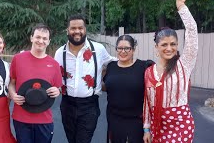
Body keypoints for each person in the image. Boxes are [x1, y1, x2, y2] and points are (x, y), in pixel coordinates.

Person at [143, 0, 198, 143]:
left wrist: (181, 7)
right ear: (156, 47)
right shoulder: (149, 72)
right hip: (157, 125)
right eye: (164, 45)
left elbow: (192, 31)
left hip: (181, 127)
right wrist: (146, 128)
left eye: (173, 44)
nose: (169, 48)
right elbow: (147, 102)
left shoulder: (184, 64)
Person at [54, 14, 117, 143]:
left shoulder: (98, 49)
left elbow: (114, 63)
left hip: (89, 105)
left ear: (85, 29)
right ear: (67, 30)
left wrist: (140, 66)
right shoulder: (60, 52)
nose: (77, 31)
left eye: (80, 28)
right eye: (73, 28)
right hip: (67, 104)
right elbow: (52, 74)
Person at [8, 24, 62, 143]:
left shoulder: (54, 64)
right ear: (31, 38)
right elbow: (12, 83)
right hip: (21, 118)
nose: (40, 41)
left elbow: (58, 87)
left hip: (44, 120)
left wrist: (57, 90)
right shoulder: (18, 59)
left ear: (48, 41)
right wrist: (13, 95)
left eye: (44, 38)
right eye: (38, 37)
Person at [103, 35, 153, 143]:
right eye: (120, 48)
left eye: (127, 48)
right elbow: (106, 85)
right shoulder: (111, 66)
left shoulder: (144, 67)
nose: (123, 51)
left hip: (136, 120)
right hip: (114, 118)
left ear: (133, 49)